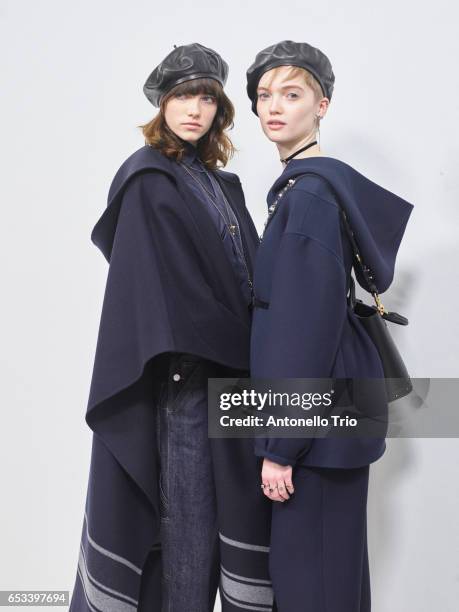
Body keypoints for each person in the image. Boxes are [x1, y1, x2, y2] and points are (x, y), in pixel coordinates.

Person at [69, 43, 275, 612]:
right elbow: (162, 293)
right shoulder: (148, 179)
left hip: (233, 381)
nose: (195, 109)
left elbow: (244, 277)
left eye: (207, 97)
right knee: (188, 523)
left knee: (228, 521)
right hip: (184, 382)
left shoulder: (219, 183)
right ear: (162, 103)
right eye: (184, 95)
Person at [246, 40, 414, 611]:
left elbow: (305, 331)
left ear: (322, 106)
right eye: (265, 95)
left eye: (292, 94)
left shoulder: (310, 197)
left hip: (312, 433)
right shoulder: (306, 189)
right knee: (332, 580)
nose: (275, 107)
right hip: (329, 422)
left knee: (310, 587)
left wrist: (282, 448)